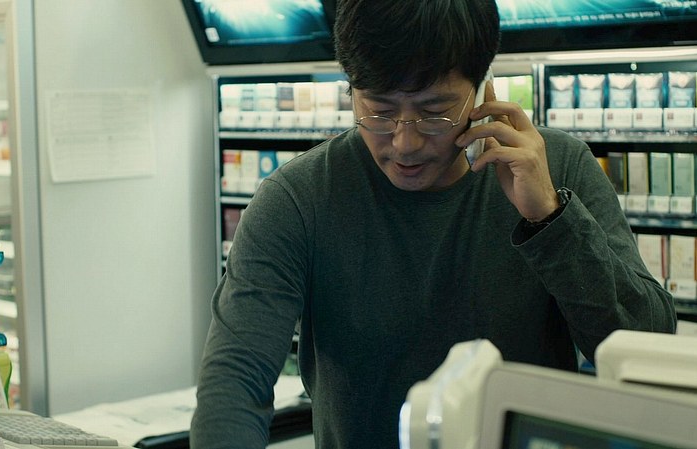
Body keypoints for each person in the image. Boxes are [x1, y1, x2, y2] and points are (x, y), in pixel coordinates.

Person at [190, 1, 677, 448]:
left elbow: (644, 348)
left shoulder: (559, 169)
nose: (405, 143)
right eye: (378, 110)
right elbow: (236, 378)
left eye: (434, 112)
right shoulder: (297, 200)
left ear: (482, 90)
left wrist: (549, 216)